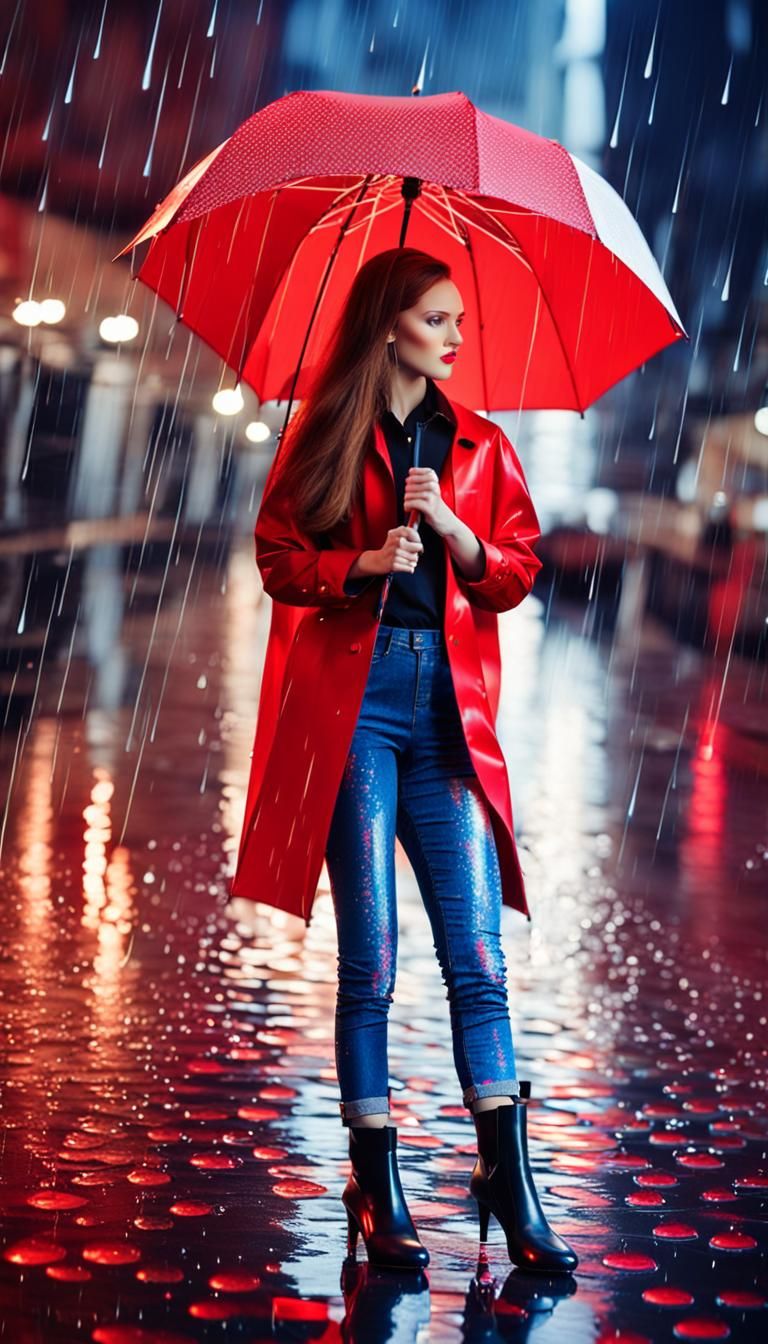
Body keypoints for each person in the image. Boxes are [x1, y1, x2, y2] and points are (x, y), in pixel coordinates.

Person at [233, 247, 578, 1276]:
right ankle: (373, 1182)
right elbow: (277, 560)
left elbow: (516, 571)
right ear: (390, 325)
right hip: (354, 712)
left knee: (477, 956)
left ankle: (506, 1179)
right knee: (371, 959)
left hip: (448, 717)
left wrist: (455, 532)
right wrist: (365, 563)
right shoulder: (324, 432)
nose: (457, 337)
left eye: (460, 320)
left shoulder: (478, 444)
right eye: (437, 319)